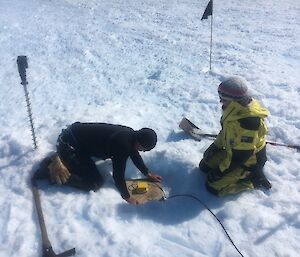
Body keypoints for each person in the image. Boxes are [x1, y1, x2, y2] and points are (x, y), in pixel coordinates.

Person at [35, 122, 162, 204]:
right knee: (93, 183)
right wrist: (127, 196)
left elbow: (134, 153)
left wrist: (147, 173)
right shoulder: (122, 145)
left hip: (74, 139)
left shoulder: (130, 135)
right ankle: (49, 171)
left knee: (88, 170)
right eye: (143, 149)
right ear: (139, 142)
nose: (141, 151)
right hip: (69, 146)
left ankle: (64, 161)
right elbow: (118, 175)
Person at [199, 76, 272, 197]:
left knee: (212, 187)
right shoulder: (232, 109)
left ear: (235, 100)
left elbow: (240, 157)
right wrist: (215, 146)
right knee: (204, 167)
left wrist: (220, 171)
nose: (220, 101)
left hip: (247, 162)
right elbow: (226, 132)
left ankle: (251, 180)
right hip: (232, 151)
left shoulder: (248, 123)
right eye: (220, 97)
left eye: (223, 98)